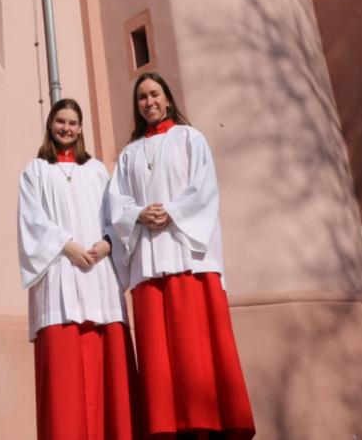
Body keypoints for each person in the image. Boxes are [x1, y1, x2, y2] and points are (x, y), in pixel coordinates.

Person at [109, 72, 254, 439]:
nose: (149, 102)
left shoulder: (190, 138)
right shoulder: (128, 155)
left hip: (188, 258)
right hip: (149, 259)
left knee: (195, 351)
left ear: (168, 99)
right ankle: (166, 427)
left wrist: (171, 210)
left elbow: (204, 189)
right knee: (158, 356)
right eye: (142, 97)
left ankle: (207, 426)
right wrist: (138, 214)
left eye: (154, 94)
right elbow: (116, 203)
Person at [18, 97, 137, 440]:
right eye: (60, 121)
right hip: (59, 276)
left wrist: (109, 243)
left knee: (107, 376)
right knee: (65, 381)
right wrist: (66, 245)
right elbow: (31, 221)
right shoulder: (35, 172)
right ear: (50, 125)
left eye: (72, 122)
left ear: (81, 128)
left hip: (99, 275)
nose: (66, 128)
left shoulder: (98, 170)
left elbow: (117, 216)